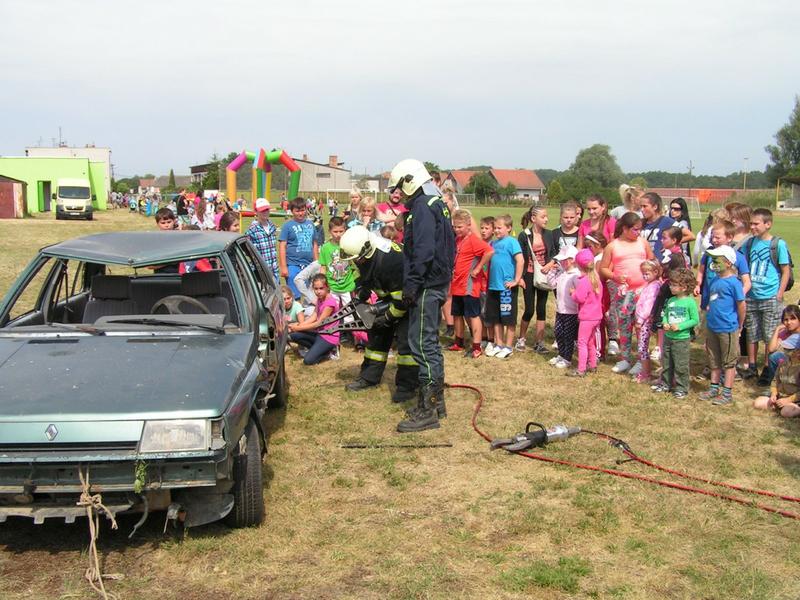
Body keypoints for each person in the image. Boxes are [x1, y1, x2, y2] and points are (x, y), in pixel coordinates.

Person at [388, 160, 455, 433]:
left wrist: (412, 286)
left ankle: (427, 411)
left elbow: (423, 251)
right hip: (436, 282)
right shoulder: (436, 203)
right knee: (430, 344)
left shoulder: (423, 207)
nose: (399, 193)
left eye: (399, 187)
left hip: (427, 285)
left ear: (409, 181)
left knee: (422, 345)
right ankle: (436, 404)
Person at [340, 225, 419, 403]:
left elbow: (401, 300)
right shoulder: (363, 253)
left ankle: (407, 386)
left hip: (409, 299)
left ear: (367, 250)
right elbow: (362, 274)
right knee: (376, 336)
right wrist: (361, 293)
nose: (356, 262)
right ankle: (369, 377)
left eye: (357, 259)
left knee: (406, 344)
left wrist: (388, 317)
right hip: (390, 296)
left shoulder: (393, 260)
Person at [740, 208, 792, 382]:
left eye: (756, 224)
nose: (752, 227)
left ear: (768, 224)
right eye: (751, 224)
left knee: (770, 335)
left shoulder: (778, 244)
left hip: (770, 296)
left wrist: (779, 293)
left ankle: (769, 368)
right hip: (751, 296)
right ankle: (752, 366)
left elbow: (785, 271)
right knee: (752, 332)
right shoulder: (749, 243)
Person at [599, 212, 654, 374]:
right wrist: (615, 276)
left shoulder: (643, 243)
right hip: (623, 293)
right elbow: (603, 268)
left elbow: (652, 261)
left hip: (642, 293)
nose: (638, 232)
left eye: (639, 229)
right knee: (624, 326)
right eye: (635, 229)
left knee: (641, 327)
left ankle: (641, 360)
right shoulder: (612, 246)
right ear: (625, 228)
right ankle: (625, 358)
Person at [697, 246, 746, 406]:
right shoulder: (715, 280)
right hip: (712, 326)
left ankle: (727, 392)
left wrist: (739, 325)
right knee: (714, 359)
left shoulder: (734, 283)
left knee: (729, 361)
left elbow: (741, 305)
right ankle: (713, 387)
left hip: (727, 328)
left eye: (717, 260)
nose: (714, 263)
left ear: (728, 263)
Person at [448, 209, 494, 358]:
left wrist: (478, 268)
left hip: (469, 285)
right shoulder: (458, 239)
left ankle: (477, 346)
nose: (457, 229)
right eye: (455, 226)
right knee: (457, 314)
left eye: (460, 227)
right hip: (457, 284)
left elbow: (489, 251)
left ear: (468, 225)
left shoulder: (474, 240)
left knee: (473, 315)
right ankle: (459, 342)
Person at [652, 268, 699, 399]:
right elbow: (666, 315)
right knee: (666, 362)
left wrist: (680, 326)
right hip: (668, 337)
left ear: (684, 287)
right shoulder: (671, 300)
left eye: (674, 285)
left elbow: (695, 320)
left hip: (681, 339)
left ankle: (681, 388)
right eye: (671, 284)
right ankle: (665, 384)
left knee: (680, 364)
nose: (671, 287)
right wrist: (665, 323)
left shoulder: (689, 302)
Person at [516, 206, 554, 354]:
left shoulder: (549, 234)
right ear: (533, 218)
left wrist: (549, 265)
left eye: (546, 216)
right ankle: (521, 339)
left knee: (541, 309)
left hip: (544, 275)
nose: (546, 219)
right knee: (529, 309)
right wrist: (520, 277)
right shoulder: (524, 235)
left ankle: (539, 342)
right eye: (543, 217)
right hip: (529, 275)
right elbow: (519, 258)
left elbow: (554, 253)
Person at [288, 275, 339, 365]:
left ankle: (331, 350)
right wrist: (299, 325)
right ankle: (321, 350)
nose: (318, 291)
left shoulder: (330, 303)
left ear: (327, 287)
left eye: (321, 288)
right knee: (294, 336)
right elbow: (314, 316)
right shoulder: (320, 299)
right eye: (316, 289)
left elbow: (318, 323)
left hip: (329, 337)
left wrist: (298, 328)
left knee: (308, 361)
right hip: (319, 333)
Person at [569, 248, 604, 377]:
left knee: (582, 342)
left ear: (579, 265)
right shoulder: (596, 279)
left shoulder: (584, 281)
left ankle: (581, 369)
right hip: (596, 316)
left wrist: (573, 293)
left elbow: (580, 298)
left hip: (587, 317)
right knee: (590, 341)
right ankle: (592, 364)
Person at [546, 245, 581, 369]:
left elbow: (580, 293)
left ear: (572, 260)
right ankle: (561, 354)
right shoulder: (562, 274)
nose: (561, 262)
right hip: (560, 310)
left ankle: (567, 358)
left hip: (571, 312)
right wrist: (552, 271)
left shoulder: (576, 275)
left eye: (564, 260)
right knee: (558, 333)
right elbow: (552, 284)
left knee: (568, 336)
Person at [279, 197, 319, 299]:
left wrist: (316, 263)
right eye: (297, 211)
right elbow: (282, 246)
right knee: (294, 295)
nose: (300, 213)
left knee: (310, 295)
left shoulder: (310, 224)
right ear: (292, 211)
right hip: (293, 265)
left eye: (302, 210)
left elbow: (314, 243)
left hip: (308, 265)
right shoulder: (287, 226)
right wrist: (284, 267)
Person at [632, 260, 662, 384]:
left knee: (642, 347)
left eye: (647, 273)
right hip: (643, 320)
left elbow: (648, 306)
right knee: (642, 347)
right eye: (643, 273)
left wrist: (640, 320)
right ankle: (646, 372)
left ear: (655, 272)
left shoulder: (654, 286)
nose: (644, 276)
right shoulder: (649, 285)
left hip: (645, 321)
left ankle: (645, 374)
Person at [640, 192, 694, 258]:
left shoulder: (667, 221)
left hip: (660, 261)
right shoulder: (640, 223)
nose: (642, 209)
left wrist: (670, 243)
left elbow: (690, 236)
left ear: (655, 207)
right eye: (641, 206)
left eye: (645, 206)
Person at [758, 305, 800, 388]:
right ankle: (777, 385)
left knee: (775, 356)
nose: (789, 322)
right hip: (789, 363)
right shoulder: (785, 333)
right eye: (786, 320)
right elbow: (771, 349)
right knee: (773, 356)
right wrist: (777, 329)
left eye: (793, 319)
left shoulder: (797, 336)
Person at [753, 346, 800, 419]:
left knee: (786, 412)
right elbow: (775, 381)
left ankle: (794, 408)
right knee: (757, 403)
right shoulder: (783, 362)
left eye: (790, 349)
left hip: (795, 400)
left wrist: (788, 400)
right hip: (780, 396)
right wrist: (774, 394)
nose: (786, 350)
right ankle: (780, 406)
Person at [247, 198, 280, 284]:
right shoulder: (252, 229)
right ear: (256, 211)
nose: (265, 212)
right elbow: (247, 250)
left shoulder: (272, 226)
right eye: (262, 210)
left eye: (267, 210)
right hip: (260, 272)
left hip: (274, 270)